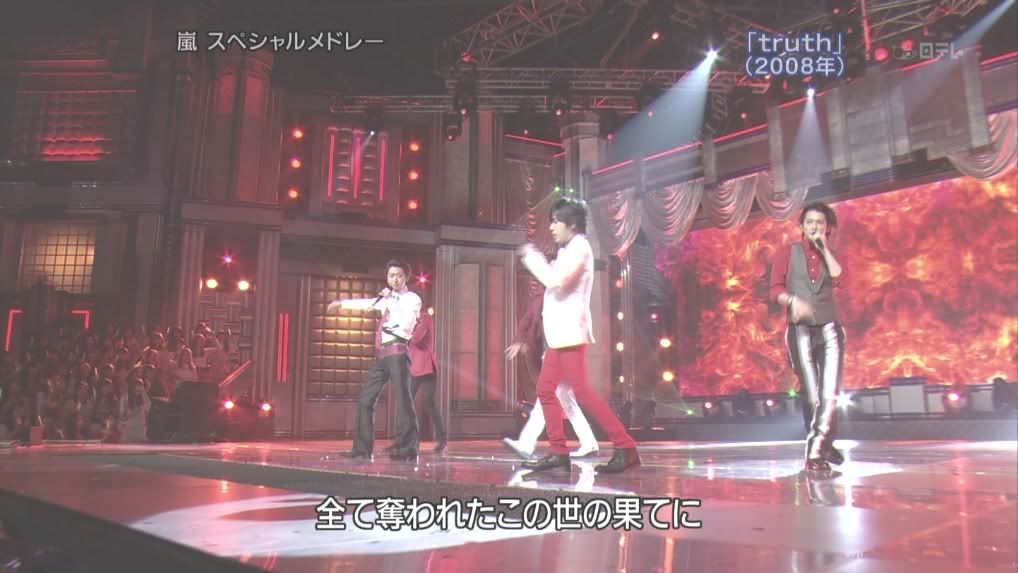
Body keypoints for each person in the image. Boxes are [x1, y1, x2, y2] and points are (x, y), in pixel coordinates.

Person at [518, 197, 640, 474]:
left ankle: (625, 445)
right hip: (560, 336)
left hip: (570, 334)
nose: (551, 227)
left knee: (582, 391)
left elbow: (555, 281)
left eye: (555, 221)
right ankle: (559, 452)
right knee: (545, 390)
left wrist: (532, 257)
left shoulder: (580, 248)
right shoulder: (568, 250)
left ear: (571, 224)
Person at [769, 201, 847, 476]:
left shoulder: (831, 254)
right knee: (812, 395)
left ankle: (815, 455)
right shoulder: (787, 252)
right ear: (801, 226)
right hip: (799, 329)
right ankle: (824, 442)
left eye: (820, 223)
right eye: (810, 222)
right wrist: (791, 301)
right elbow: (775, 289)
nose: (815, 226)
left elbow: (838, 277)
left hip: (830, 329)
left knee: (829, 393)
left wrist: (824, 249)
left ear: (828, 228)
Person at [327, 259, 422, 460]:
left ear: (405, 278)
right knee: (365, 399)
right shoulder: (386, 299)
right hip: (382, 356)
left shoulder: (411, 299)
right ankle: (362, 449)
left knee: (403, 400)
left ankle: (409, 449)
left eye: (399, 276)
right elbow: (367, 304)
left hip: (398, 351)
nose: (395, 279)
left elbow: (405, 326)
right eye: (391, 276)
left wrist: (392, 300)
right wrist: (341, 303)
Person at [503, 284, 599, 460]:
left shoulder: (555, 293)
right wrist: (520, 340)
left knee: (546, 395)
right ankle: (589, 442)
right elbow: (529, 319)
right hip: (561, 350)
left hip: (563, 350)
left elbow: (534, 319)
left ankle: (527, 443)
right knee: (565, 400)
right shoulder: (546, 295)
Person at [388, 311, 447, 453]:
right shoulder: (412, 319)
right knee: (405, 403)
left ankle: (442, 440)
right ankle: (400, 441)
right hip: (415, 368)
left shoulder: (425, 318)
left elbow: (416, 339)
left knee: (429, 404)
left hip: (427, 368)